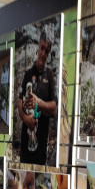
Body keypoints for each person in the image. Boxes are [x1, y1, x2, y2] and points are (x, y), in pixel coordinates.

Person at [18, 32, 58, 165]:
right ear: (37, 48)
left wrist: (38, 102)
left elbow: (54, 109)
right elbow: (20, 102)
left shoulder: (50, 75)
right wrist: (25, 118)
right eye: (42, 48)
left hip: (41, 143)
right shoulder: (28, 74)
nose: (43, 53)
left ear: (49, 53)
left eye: (47, 51)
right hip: (26, 142)